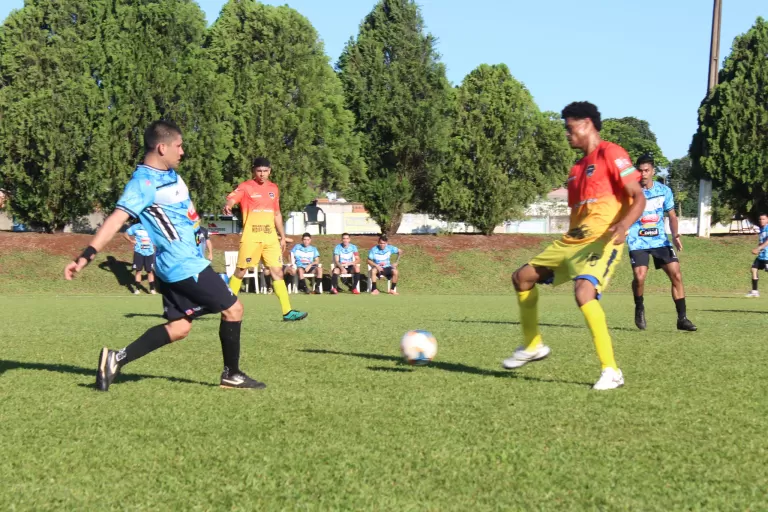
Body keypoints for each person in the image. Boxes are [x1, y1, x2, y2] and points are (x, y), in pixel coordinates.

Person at [64, 120, 264, 391]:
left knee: (180, 327)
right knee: (234, 309)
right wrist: (85, 257)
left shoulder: (170, 174)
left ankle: (116, 358)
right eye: (179, 146)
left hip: (183, 262)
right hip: (183, 264)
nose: (182, 152)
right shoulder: (143, 183)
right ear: (162, 147)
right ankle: (232, 374)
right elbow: (115, 220)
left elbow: (183, 213)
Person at [504, 101, 646, 391]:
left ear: (587, 124)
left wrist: (623, 225)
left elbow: (638, 196)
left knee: (584, 292)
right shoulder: (576, 170)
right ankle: (533, 345)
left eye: (570, 128)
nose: (567, 134)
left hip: (602, 240)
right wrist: (564, 258)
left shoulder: (612, 153)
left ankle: (611, 371)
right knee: (522, 278)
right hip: (572, 241)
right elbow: (577, 214)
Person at [223, 158, 307, 321]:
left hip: (270, 238)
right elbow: (233, 198)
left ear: (270, 171)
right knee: (240, 272)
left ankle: (287, 312)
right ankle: (227, 306)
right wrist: (229, 204)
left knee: (277, 272)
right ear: (253, 171)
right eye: (259, 171)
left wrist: (282, 236)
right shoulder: (246, 186)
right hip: (251, 237)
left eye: (265, 171)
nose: (262, 174)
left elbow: (276, 214)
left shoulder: (274, 188)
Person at [627, 154, 696, 331]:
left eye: (646, 170)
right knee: (639, 277)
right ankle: (639, 307)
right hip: (638, 240)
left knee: (676, 275)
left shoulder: (664, 191)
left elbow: (672, 216)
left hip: (659, 241)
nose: (643, 174)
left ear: (653, 171)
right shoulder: (631, 191)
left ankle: (682, 319)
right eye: (640, 170)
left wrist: (675, 234)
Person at [123, 220, 157, 295]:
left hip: (150, 252)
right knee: (138, 271)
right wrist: (131, 241)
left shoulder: (151, 226)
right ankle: (137, 289)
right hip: (139, 252)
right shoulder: (136, 227)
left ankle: (152, 289)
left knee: (150, 271)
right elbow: (125, 234)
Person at [747, 213, 768, 297]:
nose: (761, 221)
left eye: (763, 219)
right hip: (762, 255)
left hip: (767, 256)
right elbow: (762, 242)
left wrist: (758, 249)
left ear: (767, 220)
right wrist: (759, 249)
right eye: (760, 219)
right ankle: (755, 291)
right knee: (753, 269)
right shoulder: (762, 229)